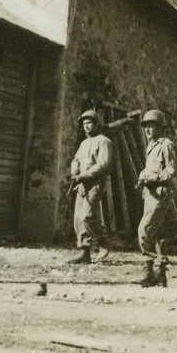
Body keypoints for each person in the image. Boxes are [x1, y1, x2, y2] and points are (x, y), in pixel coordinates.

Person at [135, 109, 177, 287]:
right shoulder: (150, 146)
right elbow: (150, 168)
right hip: (150, 194)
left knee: (144, 231)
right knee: (157, 234)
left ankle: (148, 271)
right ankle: (160, 274)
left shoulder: (166, 145)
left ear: (161, 128)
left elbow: (172, 170)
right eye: (146, 126)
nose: (148, 130)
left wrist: (154, 178)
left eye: (152, 126)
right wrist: (143, 175)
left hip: (160, 194)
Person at [68, 109, 113, 265]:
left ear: (96, 124)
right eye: (84, 123)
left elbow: (103, 164)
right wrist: (75, 172)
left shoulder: (104, 141)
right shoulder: (83, 143)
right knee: (78, 220)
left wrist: (84, 175)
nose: (87, 126)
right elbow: (76, 161)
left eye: (90, 123)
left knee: (87, 216)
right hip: (81, 183)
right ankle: (84, 252)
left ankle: (103, 243)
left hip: (95, 183)